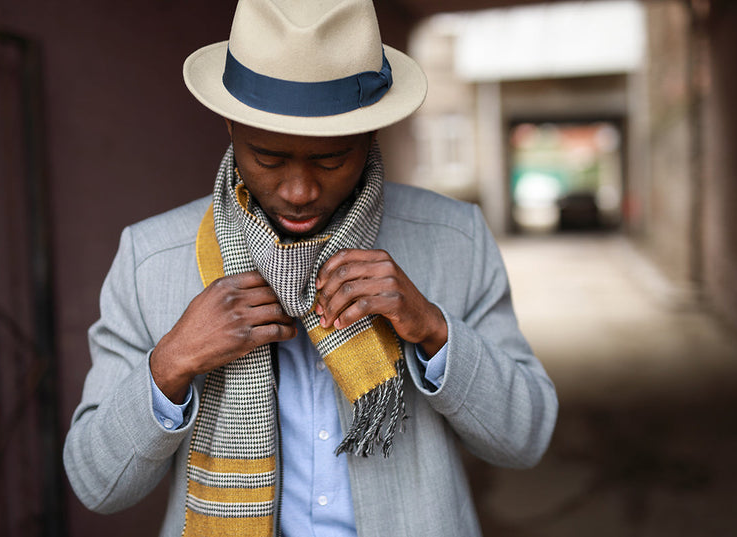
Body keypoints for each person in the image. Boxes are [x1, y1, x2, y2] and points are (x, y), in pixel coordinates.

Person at [63, 1, 558, 536]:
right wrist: (171, 365)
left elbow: (524, 442)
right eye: (269, 159)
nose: (299, 192)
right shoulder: (151, 257)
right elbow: (98, 485)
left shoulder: (455, 240)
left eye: (330, 160)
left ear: (372, 134)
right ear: (231, 125)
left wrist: (435, 332)